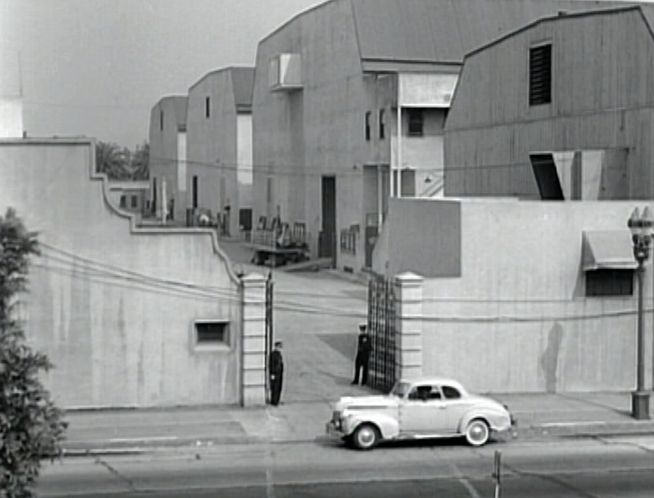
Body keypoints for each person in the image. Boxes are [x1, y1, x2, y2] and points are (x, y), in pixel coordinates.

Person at [269, 341, 284, 406]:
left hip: (279, 373)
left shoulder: (279, 354)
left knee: (278, 387)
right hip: (275, 373)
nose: (280, 348)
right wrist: (272, 373)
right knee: (275, 387)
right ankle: (274, 401)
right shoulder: (273, 354)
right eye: (279, 347)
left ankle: (277, 400)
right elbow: (271, 364)